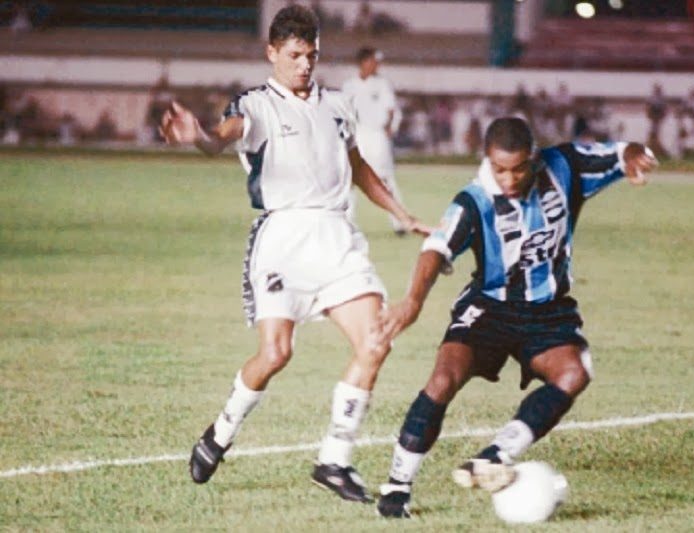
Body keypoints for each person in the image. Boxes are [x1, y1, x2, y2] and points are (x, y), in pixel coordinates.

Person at [158, 5, 429, 503]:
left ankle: (334, 459)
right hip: (283, 239)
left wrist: (402, 213)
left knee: (375, 341)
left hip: (337, 238)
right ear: (272, 53)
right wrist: (196, 135)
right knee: (276, 354)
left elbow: (357, 164)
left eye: (312, 55)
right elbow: (222, 138)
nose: (305, 64)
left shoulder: (338, 104)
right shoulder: (257, 104)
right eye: (294, 55)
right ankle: (221, 431)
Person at [374, 117, 657, 518]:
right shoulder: (473, 200)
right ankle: (397, 486)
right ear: (487, 161)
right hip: (490, 307)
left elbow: (618, 153)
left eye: (518, 168)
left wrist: (634, 157)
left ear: (535, 158)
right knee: (442, 379)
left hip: (548, 310)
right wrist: (413, 302)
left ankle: (495, 454)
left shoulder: (565, 166)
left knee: (575, 373)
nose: (508, 178)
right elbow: (436, 250)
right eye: (499, 168)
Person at [341, 46, 405, 234]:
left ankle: (399, 221)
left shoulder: (383, 85)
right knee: (350, 178)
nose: (376, 65)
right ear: (363, 62)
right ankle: (347, 222)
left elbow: (392, 110)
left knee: (384, 178)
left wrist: (390, 129)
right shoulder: (349, 85)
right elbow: (344, 112)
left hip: (376, 135)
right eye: (372, 61)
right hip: (357, 134)